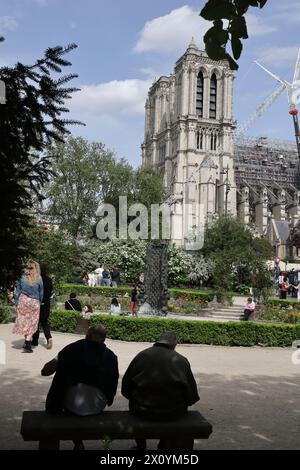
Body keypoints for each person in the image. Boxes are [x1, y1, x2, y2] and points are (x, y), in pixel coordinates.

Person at [42, 325, 119, 450]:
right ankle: (85, 444)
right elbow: (113, 383)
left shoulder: (72, 349)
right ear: (104, 339)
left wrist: (61, 362)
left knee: (64, 388)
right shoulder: (111, 356)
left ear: (87, 334)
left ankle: (78, 443)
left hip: (70, 406)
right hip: (97, 405)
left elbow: (45, 371)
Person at [121, 331, 199, 450]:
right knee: (174, 402)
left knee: (135, 401)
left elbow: (126, 386)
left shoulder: (142, 355)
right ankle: (164, 445)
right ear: (174, 344)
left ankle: (141, 445)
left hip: (141, 410)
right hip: (172, 412)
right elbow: (191, 394)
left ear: (157, 341)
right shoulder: (181, 360)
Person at [13, 261, 44, 353]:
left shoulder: (22, 278)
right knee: (32, 323)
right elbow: (41, 293)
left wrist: (16, 303)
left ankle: (27, 342)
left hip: (23, 301)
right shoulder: (39, 279)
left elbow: (17, 291)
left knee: (25, 322)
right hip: (34, 302)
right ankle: (28, 342)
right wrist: (40, 302)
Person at [32, 264, 53, 349]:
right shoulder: (49, 279)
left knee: (36, 322)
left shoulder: (36, 279)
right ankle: (49, 338)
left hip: (37, 302)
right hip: (46, 303)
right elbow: (50, 292)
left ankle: (35, 341)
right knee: (45, 322)